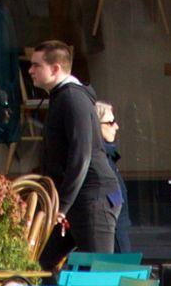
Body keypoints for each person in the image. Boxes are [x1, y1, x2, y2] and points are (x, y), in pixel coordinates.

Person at [28, 40, 124, 253]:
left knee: (99, 273)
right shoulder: (62, 97)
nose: (30, 70)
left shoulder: (72, 98)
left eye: (36, 65)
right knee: (40, 264)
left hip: (92, 199)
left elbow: (81, 156)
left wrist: (62, 206)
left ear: (55, 69)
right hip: (77, 201)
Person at [95, 100, 133, 252]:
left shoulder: (106, 155)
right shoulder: (99, 157)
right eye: (110, 122)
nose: (116, 126)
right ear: (96, 125)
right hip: (113, 226)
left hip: (117, 224)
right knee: (124, 270)